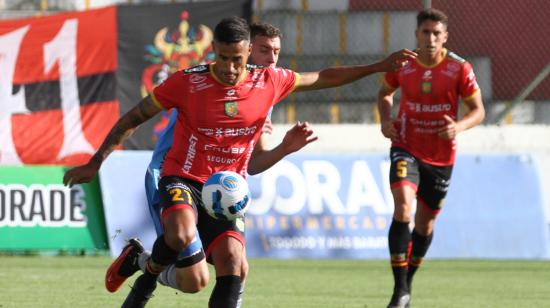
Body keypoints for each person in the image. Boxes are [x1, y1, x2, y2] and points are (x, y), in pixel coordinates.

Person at [64, 16, 416, 308]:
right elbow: (132, 118)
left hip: (227, 190)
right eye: (224, 58)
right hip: (182, 177)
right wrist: (96, 162)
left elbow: (323, 77)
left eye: (237, 58)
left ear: (248, 52)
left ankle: (142, 263)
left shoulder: (269, 81)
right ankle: (147, 280)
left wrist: (379, 67)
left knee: (226, 268)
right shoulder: (188, 83)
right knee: (183, 234)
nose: (231, 67)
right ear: (214, 51)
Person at [103, 22, 317, 308]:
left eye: (277, 51)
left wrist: (284, 148)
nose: (272, 59)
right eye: (265, 50)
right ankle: (143, 264)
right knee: (193, 276)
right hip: (175, 175)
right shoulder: (199, 83)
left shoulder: (263, 90)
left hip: (218, 187)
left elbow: (253, 164)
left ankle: (141, 261)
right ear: (247, 49)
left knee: (236, 265)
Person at [377, 8, 485, 308]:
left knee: (424, 226)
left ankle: (407, 286)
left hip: (440, 157)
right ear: (416, 35)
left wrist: (459, 126)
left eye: (437, 33)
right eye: (425, 32)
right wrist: (386, 120)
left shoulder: (459, 69)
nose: (431, 38)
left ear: (445, 37)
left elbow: (478, 110)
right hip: (406, 146)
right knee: (403, 209)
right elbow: (385, 93)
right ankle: (399, 291)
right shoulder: (404, 64)